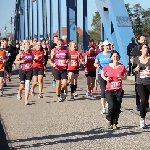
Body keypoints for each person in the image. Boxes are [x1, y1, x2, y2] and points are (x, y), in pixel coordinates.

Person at [101, 50, 126, 129]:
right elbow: (102, 74)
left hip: (119, 90)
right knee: (111, 106)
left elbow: (125, 77)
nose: (115, 58)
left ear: (119, 58)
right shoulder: (107, 66)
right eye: (114, 56)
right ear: (111, 57)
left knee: (117, 107)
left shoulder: (122, 67)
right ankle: (109, 120)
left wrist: (121, 77)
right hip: (109, 90)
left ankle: (115, 122)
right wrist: (106, 78)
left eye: (117, 56)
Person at [133, 43, 150, 128]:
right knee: (143, 100)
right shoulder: (136, 59)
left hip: (149, 82)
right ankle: (142, 120)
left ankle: (144, 114)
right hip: (140, 83)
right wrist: (135, 69)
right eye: (144, 48)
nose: (146, 49)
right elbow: (133, 69)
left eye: (147, 48)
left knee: (146, 102)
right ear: (141, 49)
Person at [94, 40, 112, 114]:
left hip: (110, 74)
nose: (108, 46)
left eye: (108, 45)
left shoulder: (111, 55)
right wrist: (96, 65)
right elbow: (95, 63)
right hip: (101, 74)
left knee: (109, 90)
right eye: (106, 45)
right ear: (103, 46)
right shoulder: (99, 55)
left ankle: (108, 101)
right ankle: (103, 108)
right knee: (103, 90)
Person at [131, 36, 147, 111]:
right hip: (138, 72)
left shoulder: (147, 48)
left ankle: (146, 104)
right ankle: (138, 104)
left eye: (145, 40)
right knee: (138, 88)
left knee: (147, 88)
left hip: (147, 72)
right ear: (139, 41)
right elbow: (131, 59)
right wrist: (136, 62)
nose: (144, 41)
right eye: (142, 40)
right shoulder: (135, 49)